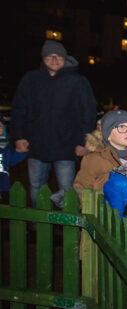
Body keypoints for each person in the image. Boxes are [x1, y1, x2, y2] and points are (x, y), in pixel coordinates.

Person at [10, 40, 97, 207]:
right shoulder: (31, 80)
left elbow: (88, 112)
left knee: (67, 190)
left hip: (67, 145)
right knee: (36, 187)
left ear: (65, 58)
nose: (55, 59)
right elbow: (19, 109)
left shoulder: (78, 82)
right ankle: (38, 227)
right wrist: (19, 136)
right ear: (43, 58)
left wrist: (84, 142)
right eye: (50, 56)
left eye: (59, 56)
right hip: (36, 144)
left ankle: (67, 228)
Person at [72, 109, 127, 206]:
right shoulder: (95, 159)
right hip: (103, 215)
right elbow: (81, 188)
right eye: (121, 127)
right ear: (108, 135)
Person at [0, 119, 27, 203]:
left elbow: (12, 161)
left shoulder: (7, 146)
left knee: (5, 205)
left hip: (4, 183)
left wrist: (20, 152)